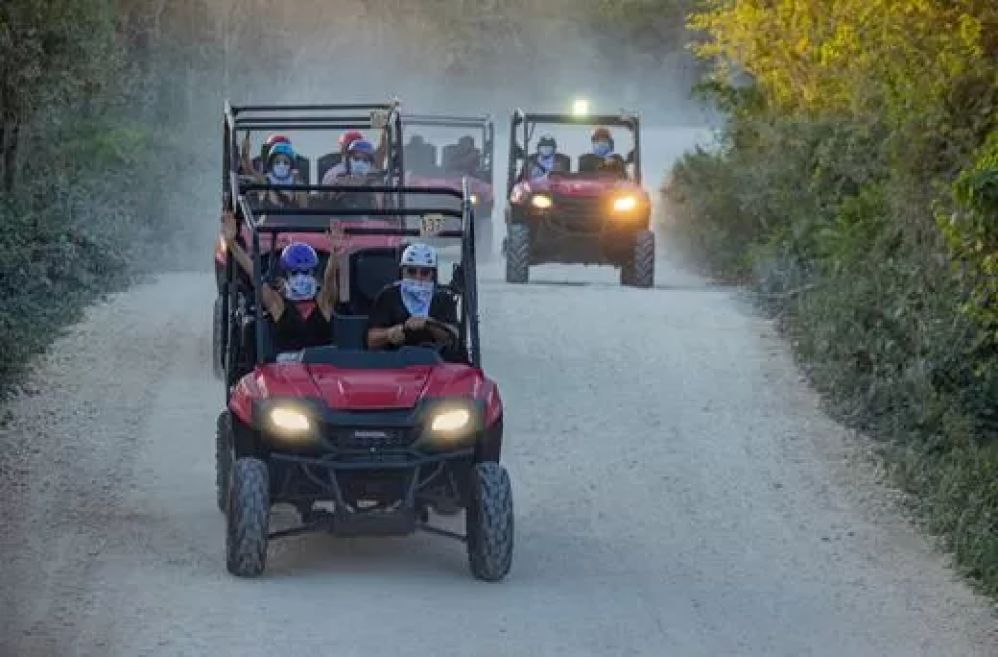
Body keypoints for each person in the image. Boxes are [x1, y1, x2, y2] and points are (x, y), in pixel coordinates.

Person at [221, 210, 344, 353]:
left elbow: (330, 277)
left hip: (321, 369)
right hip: (285, 369)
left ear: (313, 273)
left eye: (306, 272)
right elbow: (254, 275)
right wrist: (231, 243)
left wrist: (335, 252)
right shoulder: (277, 303)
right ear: (286, 274)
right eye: (295, 272)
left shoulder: (324, 303)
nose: (301, 277)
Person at [366, 243, 459, 351]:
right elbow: (370, 340)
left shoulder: (444, 298)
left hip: (436, 362)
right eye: (411, 271)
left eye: (424, 273)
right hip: (394, 362)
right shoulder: (388, 295)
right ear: (402, 271)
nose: (417, 277)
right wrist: (388, 334)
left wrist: (429, 324)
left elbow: (453, 336)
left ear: (432, 274)